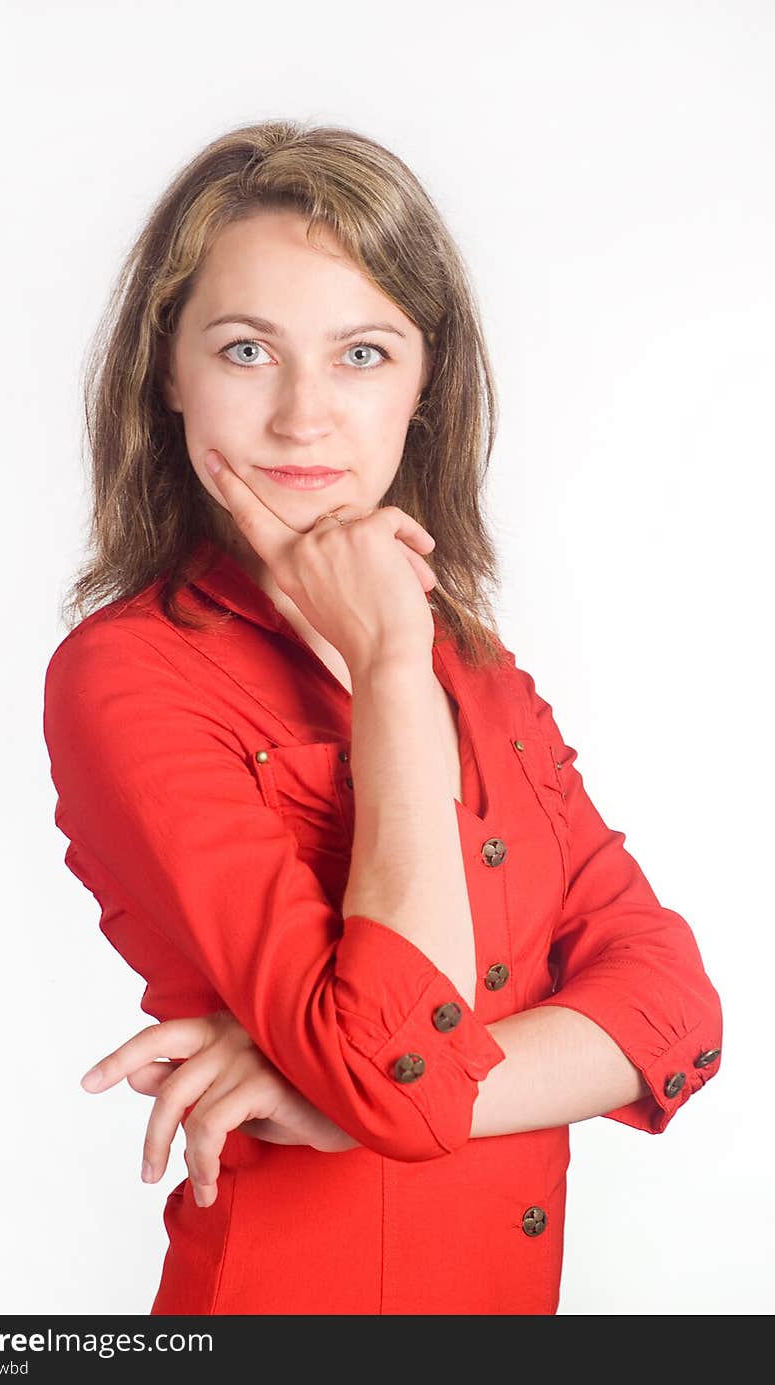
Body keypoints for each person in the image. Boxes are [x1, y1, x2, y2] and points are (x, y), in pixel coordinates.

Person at [42, 119, 723, 1316]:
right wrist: (390, 666)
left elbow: (673, 1003)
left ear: (423, 384)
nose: (305, 416)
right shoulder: (130, 673)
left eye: (362, 353)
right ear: (167, 368)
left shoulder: (477, 662)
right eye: (247, 348)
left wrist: (364, 1087)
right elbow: (398, 1081)